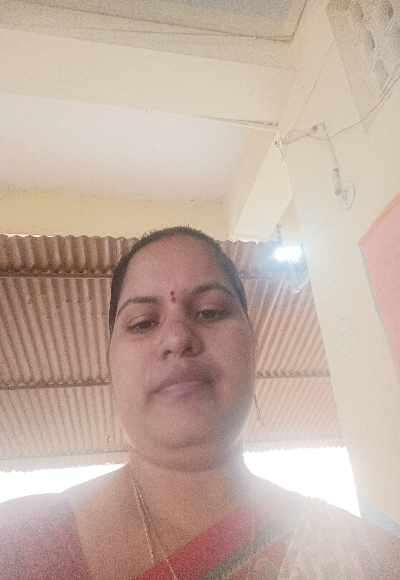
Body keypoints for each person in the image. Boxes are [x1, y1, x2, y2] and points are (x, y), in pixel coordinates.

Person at [1, 225, 400, 579]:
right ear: (110, 362)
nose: (177, 339)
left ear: (252, 343)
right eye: (142, 322)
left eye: (209, 312)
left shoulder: (367, 558)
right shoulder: (20, 545)